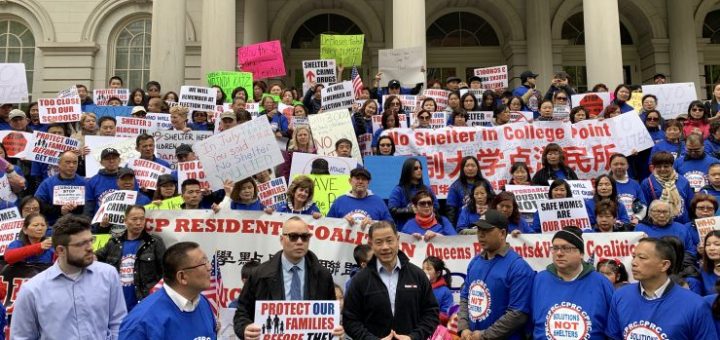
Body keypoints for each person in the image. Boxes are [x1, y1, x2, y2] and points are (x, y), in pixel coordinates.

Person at [11, 214, 127, 339]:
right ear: (61, 250)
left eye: (90, 240)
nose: (90, 248)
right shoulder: (32, 290)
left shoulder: (108, 275)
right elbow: (21, 336)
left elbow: (119, 323)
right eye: (81, 244)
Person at [233, 217, 343, 338]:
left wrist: (336, 329)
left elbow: (330, 315)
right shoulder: (259, 274)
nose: (300, 242)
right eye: (293, 236)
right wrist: (245, 329)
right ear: (282, 239)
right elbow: (241, 313)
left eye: (305, 237)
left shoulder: (323, 275)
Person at [343, 221, 439, 339]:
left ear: (397, 240)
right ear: (370, 243)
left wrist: (414, 337)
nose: (385, 247)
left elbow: (431, 313)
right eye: (379, 242)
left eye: (389, 240)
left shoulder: (417, 275)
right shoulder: (359, 280)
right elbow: (350, 320)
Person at [607, 238, 717, 339]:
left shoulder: (696, 305)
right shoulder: (620, 295)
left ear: (664, 265)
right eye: (634, 256)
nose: (634, 263)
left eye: (642, 258)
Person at [457, 210, 534, 340]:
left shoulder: (519, 268)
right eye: (479, 230)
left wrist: (485, 335)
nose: (480, 235)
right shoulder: (475, 262)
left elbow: (518, 314)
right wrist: (463, 327)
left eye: (486, 230)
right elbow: (465, 297)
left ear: (503, 233)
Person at [119, 241, 216, 339]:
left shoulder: (202, 303)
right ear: (182, 277)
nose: (209, 267)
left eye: (207, 261)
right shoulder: (141, 322)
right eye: (203, 263)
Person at [531, 226, 614, 339]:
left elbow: (613, 328)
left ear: (581, 253)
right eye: (555, 248)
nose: (559, 253)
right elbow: (529, 323)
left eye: (566, 248)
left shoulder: (601, 283)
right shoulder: (540, 280)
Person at [96, 205, 166, 311]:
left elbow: (166, 272)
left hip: (146, 303)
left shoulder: (154, 242)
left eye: (142, 219)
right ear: (125, 220)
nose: (139, 223)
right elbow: (95, 257)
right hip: (117, 304)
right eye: (134, 219)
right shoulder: (114, 243)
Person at [327, 168, 392, 228]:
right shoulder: (339, 201)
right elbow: (327, 226)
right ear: (350, 181)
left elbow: (391, 226)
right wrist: (342, 222)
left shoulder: (378, 202)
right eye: (357, 178)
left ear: (368, 182)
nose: (360, 181)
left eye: (364, 179)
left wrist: (374, 224)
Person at [641, 151, 694, 223]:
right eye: (659, 167)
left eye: (666, 166)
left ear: (672, 166)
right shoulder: (647, 183)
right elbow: (645, 207)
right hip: (658, 224)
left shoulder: (683, 181)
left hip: (682, 223)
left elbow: (690, 204)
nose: (662, 169)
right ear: (654, 167)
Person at [35, 150, 86, 224]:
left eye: (75, 162)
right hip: (53, 225)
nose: (72, 165)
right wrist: (60, 210)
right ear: (59, 164)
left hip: (79, 225)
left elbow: (90, 206)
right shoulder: (47, 183)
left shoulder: (85, 183)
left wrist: (77, 208)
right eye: (67, 162)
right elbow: (38, 204)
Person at [388, 158, 438, 227]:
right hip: (405, 230)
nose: (419, 170)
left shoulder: (427, 189)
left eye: (420, 168)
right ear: (408, 170)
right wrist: (409, 210)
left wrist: (426, 210)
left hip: (427, 228)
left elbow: (436, 207)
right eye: (415, 168)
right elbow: (392, 210)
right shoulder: (399, 190)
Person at [446, 156, 493, 226]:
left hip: (487, 221)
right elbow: (451, 211)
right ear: (462, 168)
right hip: (464, 224)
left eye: (473, 165)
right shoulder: (455, 186)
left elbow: (493, 201)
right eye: (467, 166)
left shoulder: (485, 183)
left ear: (477, 168)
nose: (470, 168)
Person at [83, 147, 122, 217]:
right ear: (101, 163)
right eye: (107, 159)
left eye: (114, 158)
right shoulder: (92, 182)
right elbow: (88, 208)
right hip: (99, 225)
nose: (111, 161)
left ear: (119, 160)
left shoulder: (129, 178)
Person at [608, 153, 647, 220]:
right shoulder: (606, 183)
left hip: (632, 224)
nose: (619, 166)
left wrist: (637, 217)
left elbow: (643, 204)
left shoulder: (635, 184)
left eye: (622, 164)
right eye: (616, 164)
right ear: (610, 166)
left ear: (627, 166)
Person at [422, 256, 453, 324]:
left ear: (438, 273)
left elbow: (446, 315)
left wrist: (428, 316)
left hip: (436, 330)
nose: (424, 271)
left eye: (428, 269)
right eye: (423, 269)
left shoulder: (445, 291)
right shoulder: (419, 287)